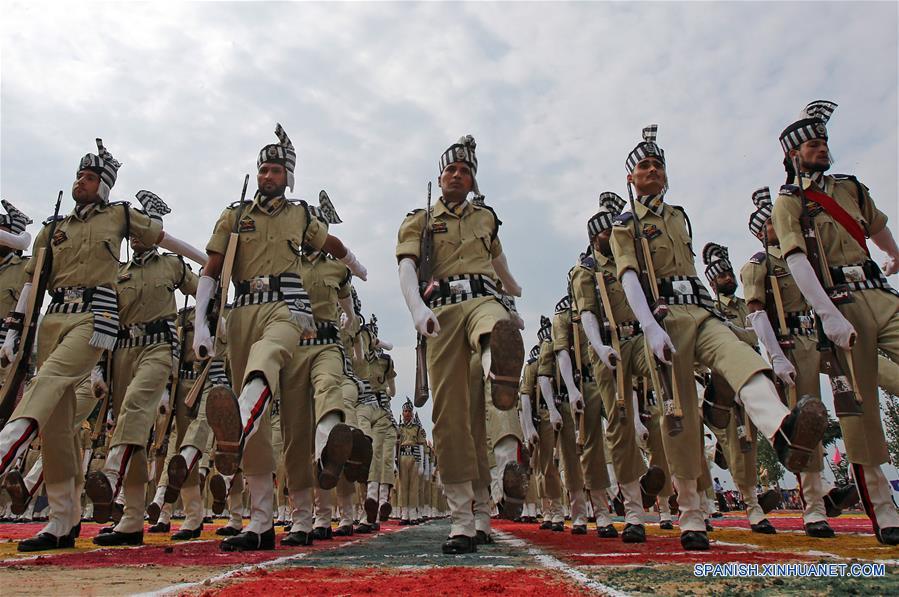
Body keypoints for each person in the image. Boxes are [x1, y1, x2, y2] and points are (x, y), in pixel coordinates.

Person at [610, 125, 827, 550]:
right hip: (666, 317)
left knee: (740, 356)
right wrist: (649, 326)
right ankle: (690, 510)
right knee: (679, 416)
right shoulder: (626, 224)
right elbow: (629, 276)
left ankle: (782, 429)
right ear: (631, 178)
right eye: (644, 166)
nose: (652, 170)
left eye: (658, 165)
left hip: (702, 310)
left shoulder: (678, 215)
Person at [0, 141, 201, 552]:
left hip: (100, 322)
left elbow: (167, 241)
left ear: (104, 186)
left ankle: (8, 444)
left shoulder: (122, 218)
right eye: (79, 175)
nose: (81, 182)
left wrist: (211, 262)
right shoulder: (54, 228)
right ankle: (63, 519)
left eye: (90, 178)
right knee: (59, 425)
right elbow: (33, 280)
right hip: (63, 321)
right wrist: (15, 329)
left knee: (56, 383)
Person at [772, 101, 899, 544]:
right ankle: (884, 508)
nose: (822, 148)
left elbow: (876, 226)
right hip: (842, 302)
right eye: (812, 144)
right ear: (794, 155)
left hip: (879, 291)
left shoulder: (851, 188)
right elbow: (796, 260)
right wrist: (828, 313)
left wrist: (893, 253)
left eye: (824, 141)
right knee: (860, 409)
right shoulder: (789, 201)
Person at [396, 135, 524, 554]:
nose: (457, 175)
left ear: (473, 181)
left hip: (483, 299)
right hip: (442, 313)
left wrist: (513, 290)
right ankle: (467, 519)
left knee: (494, 325)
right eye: (451, 169)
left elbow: (498, 262)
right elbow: (407, 267)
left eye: (465, 171)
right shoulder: (420, 220)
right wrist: (417, 309)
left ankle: (496, 365)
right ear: (440, 177)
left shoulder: (486, 218)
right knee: (454, 422)